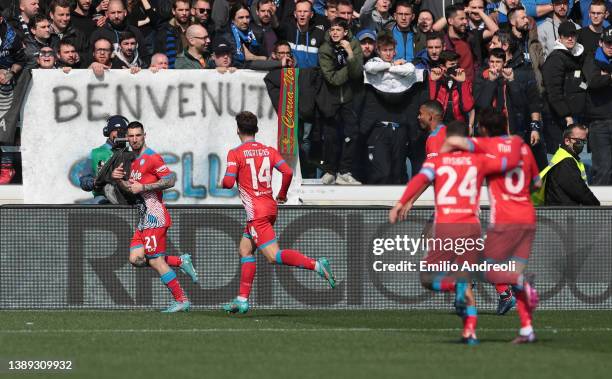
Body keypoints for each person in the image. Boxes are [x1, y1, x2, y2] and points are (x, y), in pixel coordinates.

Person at [389, 120, 517, 345]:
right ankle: (471, 330)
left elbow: (420, 178)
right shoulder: (478, 159)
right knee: (466, 274)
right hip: (471, 224)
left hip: (447, 224)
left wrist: (402, 202)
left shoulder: (438, 161)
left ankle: (466, 290)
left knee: (428, 277)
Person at [221, 111, 336, 314]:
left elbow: (229, 182)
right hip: (269, 208)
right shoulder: (269, 151)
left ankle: (317, 265)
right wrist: (281, 194)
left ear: (238, 130)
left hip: (256, 213)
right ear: (256, 129)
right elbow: (288, 171)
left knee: (273, 256)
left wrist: (221, 182)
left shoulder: (235, 153)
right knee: (245, 250)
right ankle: (241, 300)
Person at [441, 109, 539, 337]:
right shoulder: (522, 146)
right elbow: (537, 183)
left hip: (505, 220)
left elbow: (454, 141)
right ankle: (526, 329)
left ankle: (520, 285)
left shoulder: (487, 147)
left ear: (483, 129)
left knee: (479, 268)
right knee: (506, 269)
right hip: (528, 216)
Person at [111, 121, 199, 313]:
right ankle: (179, 261)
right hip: (143, 218)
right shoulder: (133, 162)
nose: (134, 139)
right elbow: (131, 188)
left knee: (155, 261)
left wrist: (144, 187)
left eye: (138, 135)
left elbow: (170, 180)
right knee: (136, 259)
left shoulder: (152, 157)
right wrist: (119, 180)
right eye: (131, 136)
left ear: (144, 135)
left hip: (155, 216)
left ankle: (182, 300)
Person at [361, 32, 423, 184]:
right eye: (385, 50)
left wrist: (393, 67)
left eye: (390, 50)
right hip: (379, 128)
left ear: (395, 50)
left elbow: (409, 69)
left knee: (398, 171)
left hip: (399, 126)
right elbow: (369, 67)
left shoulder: (402, 63)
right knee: (383, 171)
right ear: (378, 51)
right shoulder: (374, 63)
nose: (388, 53)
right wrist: (392, 66)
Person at [318, 18, 364, 185]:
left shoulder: (354, 44)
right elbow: (333, 79)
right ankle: (330, 170)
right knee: (331, 136)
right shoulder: (325, 48)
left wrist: (350, 53)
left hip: (350, 98)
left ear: (345, 32)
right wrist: (351, 68)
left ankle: (345, 172)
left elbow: (358, 74)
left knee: (351, 135)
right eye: (332, 29)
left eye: (338, 30)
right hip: (331, 98)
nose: (335, 33)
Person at [533, 124, 600, 205]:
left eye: (584, 141)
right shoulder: (566, 162)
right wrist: (597, 206)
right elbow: (580, 191)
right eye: (578, 141)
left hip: (563, 212)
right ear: (567, 141)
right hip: (563, 214)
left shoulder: (565, 158)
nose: (582, 144)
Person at [542, 21, 586, 129]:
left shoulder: (579, 55)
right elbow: (554, 91)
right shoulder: (555, 59)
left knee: (578, 145)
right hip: (563, 118)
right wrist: (567, 116)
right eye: (566, 36)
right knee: (566, 146)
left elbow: (581, 83)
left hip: (580, 113)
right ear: (560, 37)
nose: (570, 38)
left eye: (573, 35)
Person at [582, 27, 612, 185]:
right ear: (601, 42)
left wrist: (606, 76)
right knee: (603, 170)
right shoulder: (591, 59)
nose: (611, 46)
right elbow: (593, 81)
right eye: (608, 43)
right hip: (599, 123)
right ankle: (601, 210)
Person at [80, 115, 129, 204]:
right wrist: (94, 182)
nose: (119, 133)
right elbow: (84, 181)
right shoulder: (96, 153)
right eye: (115, 130)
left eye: (122, 130)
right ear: (107, 132)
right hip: (103, 201)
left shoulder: (132, 155)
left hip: (127, 200)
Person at [276, 0, 324, 69]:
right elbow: (276, 27)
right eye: (299, 11)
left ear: (311, 14)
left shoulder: (319, 33)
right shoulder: (288, 30)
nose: (302, 14)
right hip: (290, 75)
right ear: (295, 14)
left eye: (305, 11)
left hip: (310, 77)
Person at [155, 0, 192, 69]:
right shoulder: (164, 32)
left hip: (194, 73)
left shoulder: (197, 29)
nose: (184, 13)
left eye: (187, 10)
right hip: (172, 74)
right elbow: (158, 57)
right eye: (180, 10)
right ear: (173, 11)